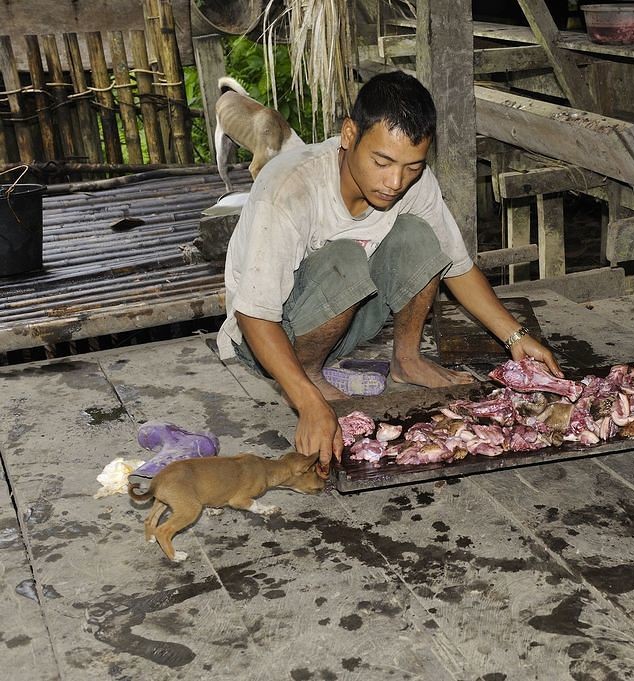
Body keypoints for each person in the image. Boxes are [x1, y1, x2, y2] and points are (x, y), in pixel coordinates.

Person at [215, 71, 562, 469]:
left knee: (419, 235)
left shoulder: (415, 183)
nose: (396, 181)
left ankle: (407, 359)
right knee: (344, 258)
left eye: (412, 166)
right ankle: (307, 380)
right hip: (265, 341)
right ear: (349, 135)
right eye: (382, 161)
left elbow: (458, 266)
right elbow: (254, 314)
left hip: (340, 325)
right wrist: (308, 404)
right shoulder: (291, 188)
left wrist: (516, 336)